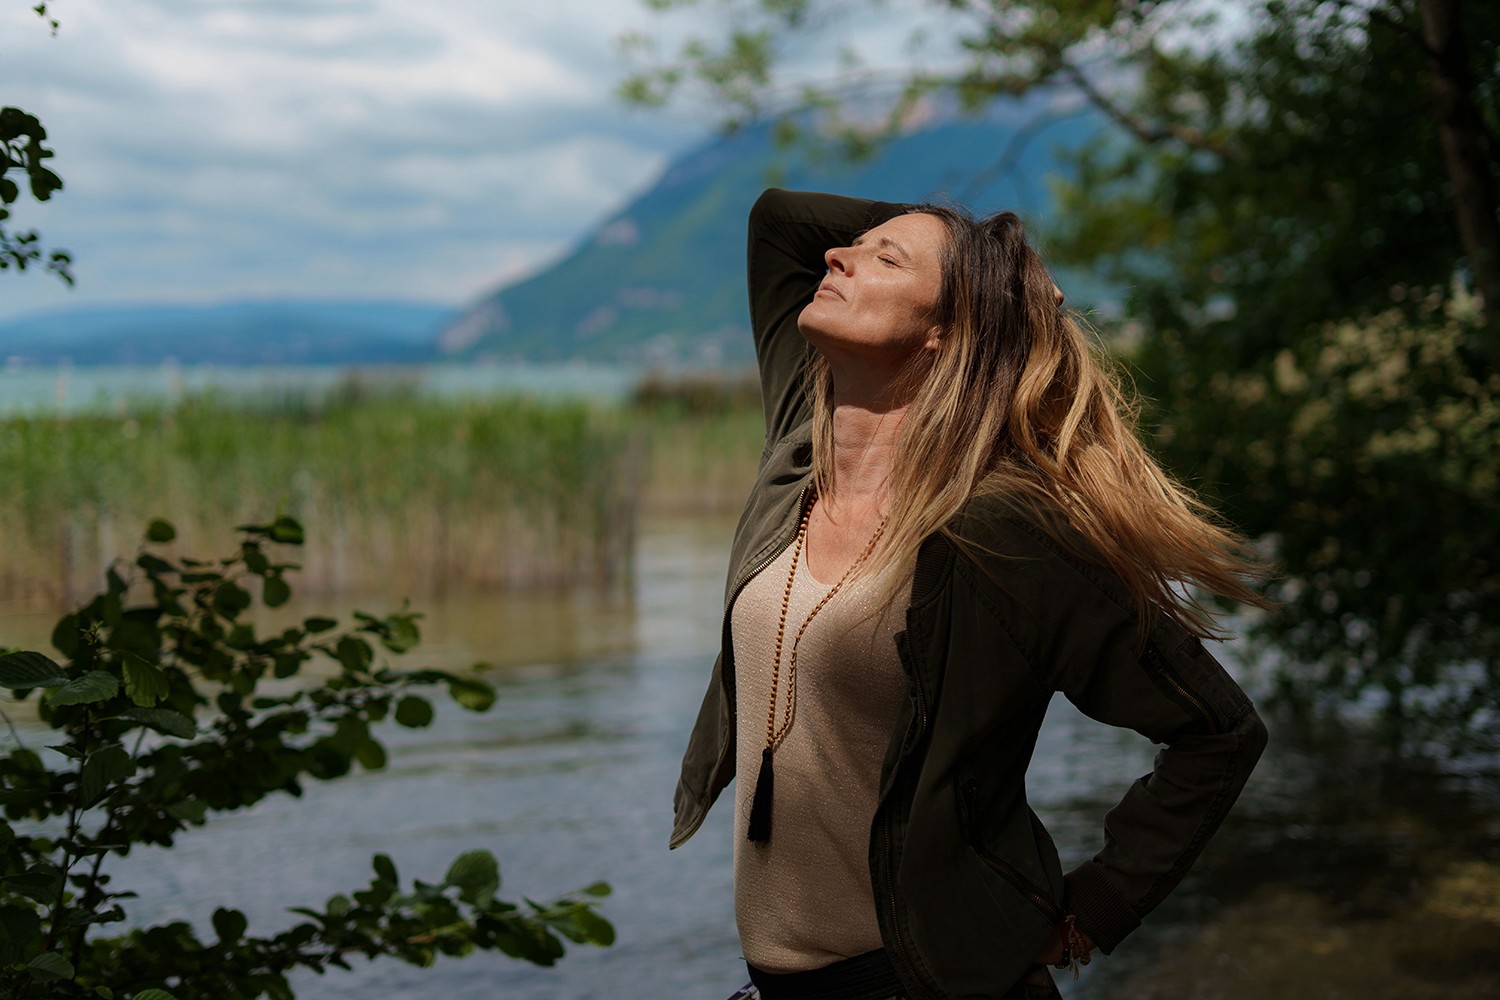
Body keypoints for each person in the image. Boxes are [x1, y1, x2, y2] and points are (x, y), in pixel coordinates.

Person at [670, 189, 1270, 1000]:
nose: (838, 256)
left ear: (944, 331)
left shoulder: (1003, 532)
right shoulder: (797, 451)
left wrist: (1097, 906)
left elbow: (1217, 733)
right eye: (856, 247)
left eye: (886, 259)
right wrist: (996, 260)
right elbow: (779, 222)